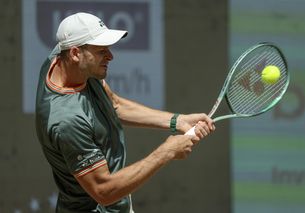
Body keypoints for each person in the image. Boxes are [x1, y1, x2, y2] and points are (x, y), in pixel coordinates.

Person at [35, 12, 214, 213]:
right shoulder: (67, 122)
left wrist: (176, 121)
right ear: (76, 53)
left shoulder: (66, 61)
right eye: (101, 50)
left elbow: (114, 104)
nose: (110, 56)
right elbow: (104, 191)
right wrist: (166, 152)